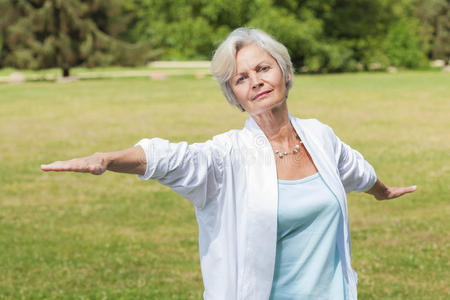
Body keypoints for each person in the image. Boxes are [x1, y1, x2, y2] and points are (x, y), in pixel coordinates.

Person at [41, 28, 416, 300]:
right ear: (235, 97)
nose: (255, 81)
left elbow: (354, 169)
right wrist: (107, 159)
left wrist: (382, 191)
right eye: (241, 78)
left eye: (263, 69)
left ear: (285, 73)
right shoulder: (228, 157)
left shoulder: (319, 136)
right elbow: (170, 158)